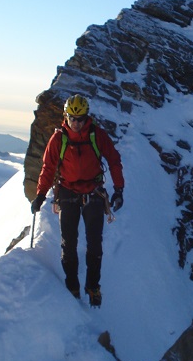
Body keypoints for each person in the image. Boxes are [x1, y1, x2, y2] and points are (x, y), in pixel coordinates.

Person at [31, 94, 124, 307]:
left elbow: (114, 160)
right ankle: (72, 285)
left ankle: (93, 287)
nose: (76, 123)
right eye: (72, 118)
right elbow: (48, 168)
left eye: (80, 118)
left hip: (93, 192)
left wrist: (119, 189)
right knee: (69, 243)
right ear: (66, 117)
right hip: (67, 192)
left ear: (86, 117)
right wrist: (40, 195)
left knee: (94, 245)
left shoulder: (96, 136)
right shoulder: (58, 139)